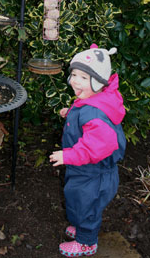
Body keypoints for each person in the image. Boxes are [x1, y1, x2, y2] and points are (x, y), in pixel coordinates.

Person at [49, 43, 126, 257]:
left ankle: (87, 242)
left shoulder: (95, 114)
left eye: (83, 78)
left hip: (94, 174)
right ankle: (80, 225)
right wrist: (70, 113)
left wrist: (68, 156)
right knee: (76, 199)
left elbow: (97, 145)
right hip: (85, 170)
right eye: (74, 74)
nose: (74, 81)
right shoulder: (91, 100)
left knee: (87, 206)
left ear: (98, 82)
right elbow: (85, 116)